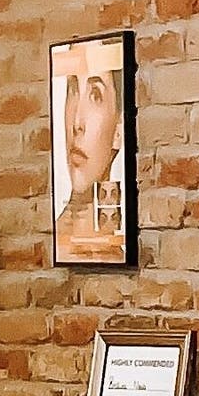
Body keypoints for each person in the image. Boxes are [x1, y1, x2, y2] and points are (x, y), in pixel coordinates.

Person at [55, 56, 125, 263]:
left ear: (119, 129)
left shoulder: (116, 258)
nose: (77, 122)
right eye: (73, 90)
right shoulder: (46, 248)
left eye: (95, 95)